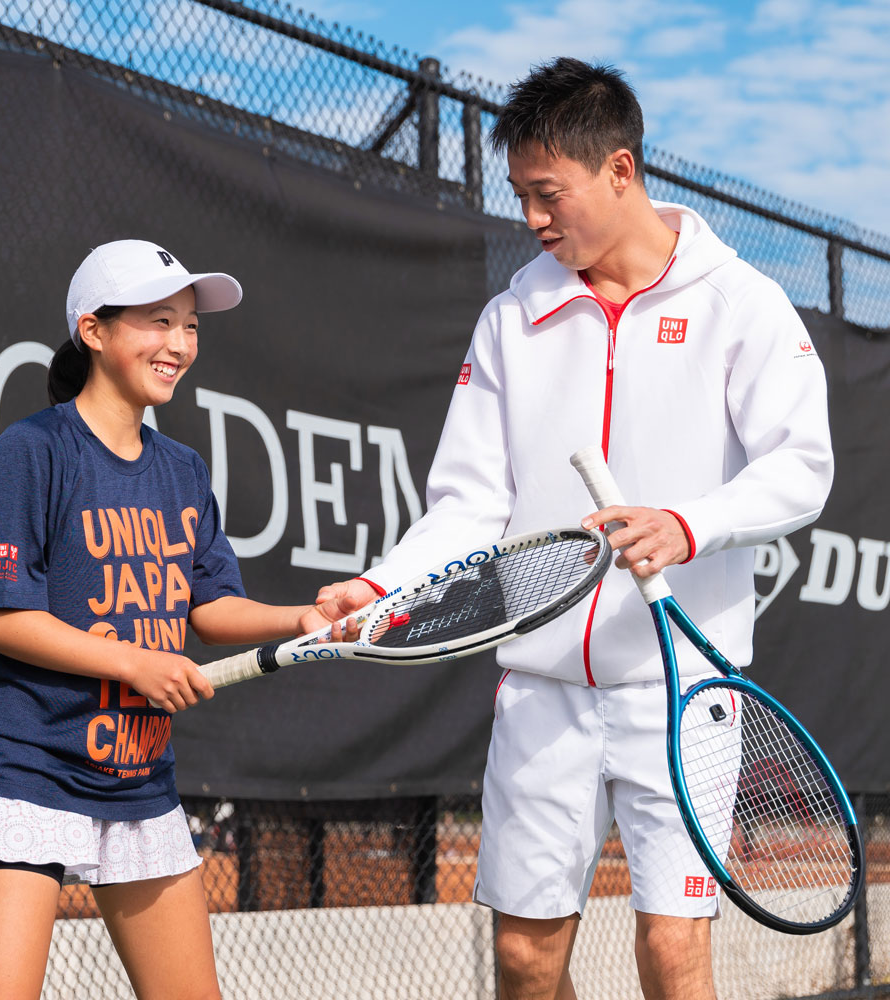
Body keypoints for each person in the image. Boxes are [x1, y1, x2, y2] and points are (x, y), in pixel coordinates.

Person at [308, 59, 833, 1000]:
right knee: (523, 959)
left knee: (673, 957)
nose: (533, 219)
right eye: (520, 197)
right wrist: (386, 586)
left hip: (681, 688)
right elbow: (469, 503)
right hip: (541, 691)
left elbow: (802, 467)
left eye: (548, 194)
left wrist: (687, 523)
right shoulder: (513, 316)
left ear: (620, 170)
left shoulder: (739, 301)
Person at [0, 239, 353, 1000]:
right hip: (29, 769)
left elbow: (208, 608)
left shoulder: (182, 469)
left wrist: (304, 614)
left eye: (189, 326)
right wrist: (135, 663)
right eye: (158, 321)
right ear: (93, 330)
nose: (180, 344)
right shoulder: (31, 452)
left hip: (141, 779)